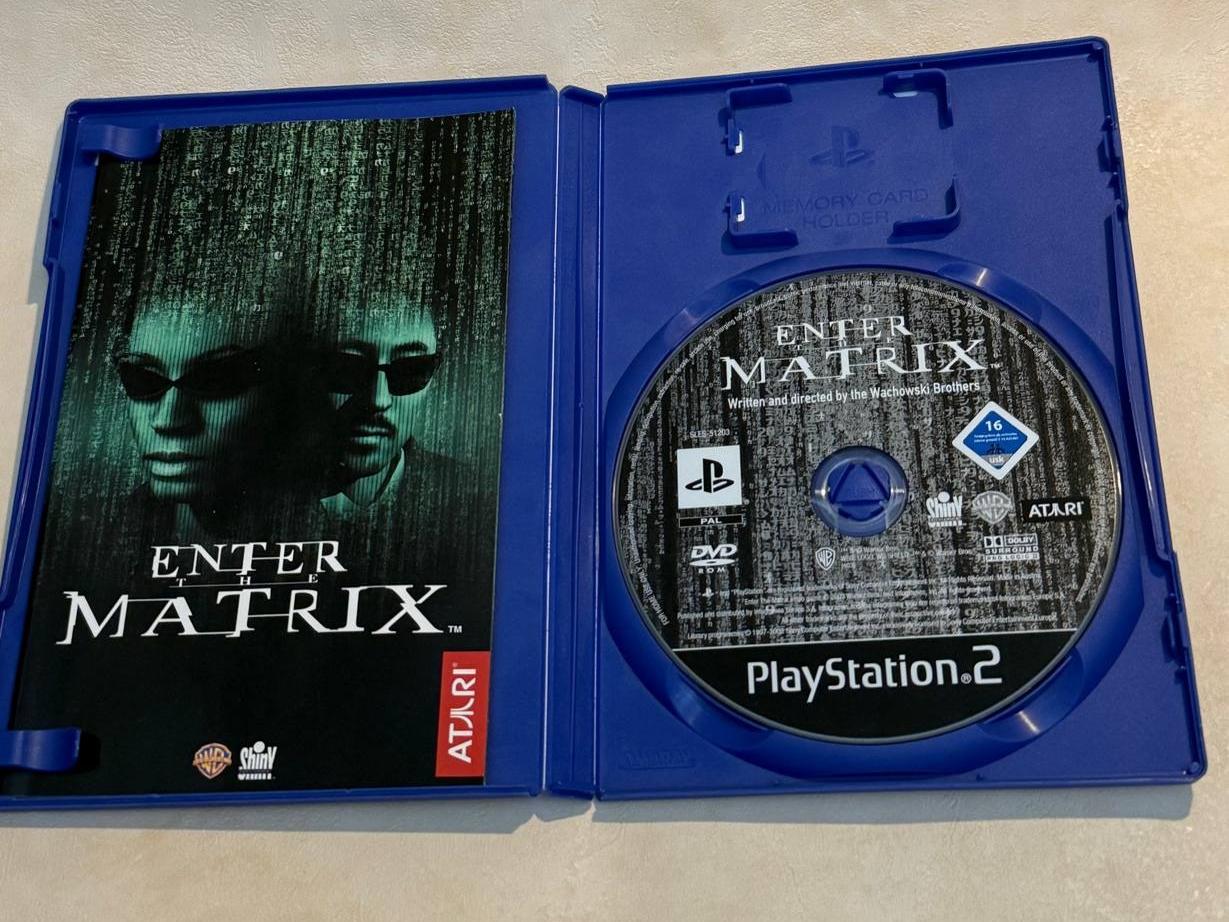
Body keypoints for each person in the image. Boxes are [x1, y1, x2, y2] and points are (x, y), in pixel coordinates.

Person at [113, 297, 292, 539]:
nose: (167, 421)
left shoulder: (322, 531)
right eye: (144, 380)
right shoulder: (113, 531)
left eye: (213, 380)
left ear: (277, 394)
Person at [313, 300, 444, 518]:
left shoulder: (476, 496)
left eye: (410, 369)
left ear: (433, 380)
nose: (378, 400)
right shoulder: (258, 503)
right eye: (347, 368)